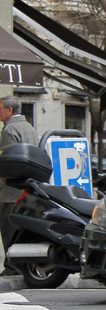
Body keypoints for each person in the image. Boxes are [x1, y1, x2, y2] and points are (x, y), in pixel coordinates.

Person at [0, 96, 38, 276]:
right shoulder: (29, 127)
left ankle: (12, 266)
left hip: (10, 190)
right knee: (22, 228)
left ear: (10, 110)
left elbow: (7, 161)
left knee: (9, 228)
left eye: (0, 108)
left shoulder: (9, 129)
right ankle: (22, 265)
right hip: (28, 188)